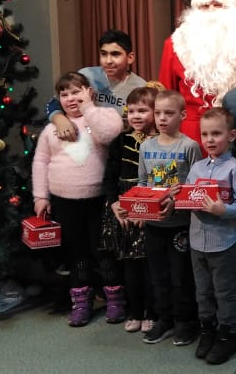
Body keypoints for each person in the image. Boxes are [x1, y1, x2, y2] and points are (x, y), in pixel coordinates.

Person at [32, 72, 124, 327]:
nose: (71, 98)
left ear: (89, 91)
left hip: (98, 201)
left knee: (104, 252)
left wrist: (89, 107)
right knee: (77, 255)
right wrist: (40, 196)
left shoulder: (103, 115)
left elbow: (108, 134)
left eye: (77, 92)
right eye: (65, 94)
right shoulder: (50, 130)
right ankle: (81, 302)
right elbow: (41, 162)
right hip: (64, 202)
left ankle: (115, 299)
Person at [158, 0, 236, 146]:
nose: (211, 11)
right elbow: (166, 98)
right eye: (204, 6)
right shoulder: (174, 45)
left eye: (218, 4)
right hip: (190, 139)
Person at [134, 90, 202, 346]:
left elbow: (196, 186)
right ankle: (164, 319)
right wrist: (139, 209)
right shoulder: (146, 147)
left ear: (182, 115)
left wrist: (176, 202)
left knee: (180, 277)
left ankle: (185, 321)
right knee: (158, 276)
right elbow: (143, 183)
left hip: (180, 225)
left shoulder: (189, 146)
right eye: (158, 113)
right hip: (154, 226)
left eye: (169, 113)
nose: (162, 118)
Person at [186, 107, 236, 365]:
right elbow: (188, 197)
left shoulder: (235, 168)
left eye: (216, 133)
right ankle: (207, 330)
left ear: (231, 135)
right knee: (203, 291)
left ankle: (227, 334)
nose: (210, 139)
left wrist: (223, 210)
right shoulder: (196, 168)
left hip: (223, 243)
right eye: (205, 134)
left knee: (225, 292)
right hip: (196, 242)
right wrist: (177, 199)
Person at [103, 84, 162, 333]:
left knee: (151, 265)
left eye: (142, 110)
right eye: (132, 110)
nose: (135, 116)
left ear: (156, 113)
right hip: (124, 209)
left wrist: (147, 210)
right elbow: (110, 176)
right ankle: (135, 311)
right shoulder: (121, 140)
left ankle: (151, 312)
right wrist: (115, 203)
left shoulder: (161, 142)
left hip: (149, 206)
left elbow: (161, 179)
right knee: (130, 265)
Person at [46, 30, 146, 142]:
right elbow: (54, 102)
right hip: (82, 141)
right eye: (104, 54)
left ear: (130, 57)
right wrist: (60, 120)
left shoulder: (140, 87)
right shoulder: (86, 75)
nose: (108, 61)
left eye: (115, 54)